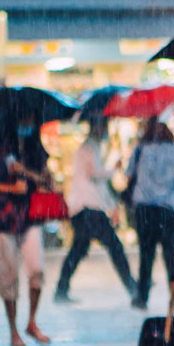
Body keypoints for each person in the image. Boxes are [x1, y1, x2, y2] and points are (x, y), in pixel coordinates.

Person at [0, 113, 54, 346]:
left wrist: (33, 175)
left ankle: (31, 322)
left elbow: (47, 181)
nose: (26, 124)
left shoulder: (34, 148)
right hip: (0, 215)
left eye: (30, 120)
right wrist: (7, 187)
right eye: (23, 119)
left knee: (37, 269)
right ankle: (13, 330)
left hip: (29, 215)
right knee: (8, 274)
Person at [54, 119, 137, 304]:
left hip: (84, 207)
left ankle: (61, 289)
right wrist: (112, 170)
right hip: (87, 207)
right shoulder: (89, 148)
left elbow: (97, 182)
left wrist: (110, 203)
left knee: (79, 249)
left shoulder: (91, 147)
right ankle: (133, 287)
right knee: (113, 247)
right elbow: (94, 174)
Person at [127, 120, 174, 310]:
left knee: (146, 256)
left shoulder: (141, 151)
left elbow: (129, 175)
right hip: (170, 211)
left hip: (146, 210)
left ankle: (142, 297)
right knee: (171, 257)